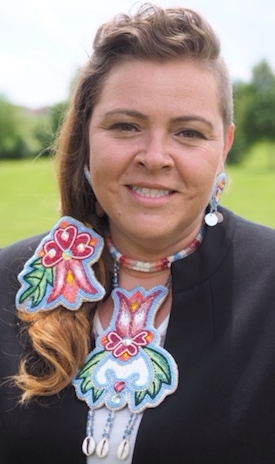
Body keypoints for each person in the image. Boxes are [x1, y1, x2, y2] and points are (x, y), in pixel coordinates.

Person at [1, 3, 275, 464]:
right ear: (87, 135)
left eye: (188, 133)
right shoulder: (6, 281)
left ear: (224, 147)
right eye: (126, 125)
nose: (155, 156)